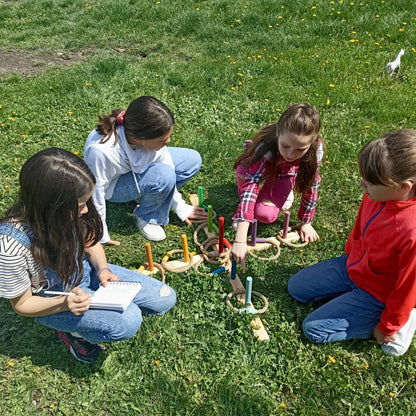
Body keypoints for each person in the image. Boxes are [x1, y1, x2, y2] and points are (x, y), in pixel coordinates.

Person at [0, 148, 177, 364]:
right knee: (129, 320)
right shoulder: (10, 247)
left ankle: (96, 314)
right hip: (55, 297)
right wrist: (65, 304)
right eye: (81, 205)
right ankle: (75, 333)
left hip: (85, 272)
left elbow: (90, 245)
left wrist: (103, 269)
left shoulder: (65, 212)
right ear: (51, 207)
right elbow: (23, 305)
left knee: (166, 297)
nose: (85, 211)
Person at [288, 130, 416, 356]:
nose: (361, 184)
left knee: (314, 329)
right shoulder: (378, 193)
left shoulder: (411, 232)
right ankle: (353, 296)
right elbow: (360, 226)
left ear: (403, 187)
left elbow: (407, 288)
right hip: (355, 267)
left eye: (369, 182)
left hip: (380, 293)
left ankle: (403, 321)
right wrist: (352, 254)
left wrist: (386, 327)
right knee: (296, 287)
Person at [84, 95, 207, 244]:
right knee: (164, 175)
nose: (168, 142)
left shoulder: (138, 134)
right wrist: (100, 233)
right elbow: (96, 191)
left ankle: (147, 194)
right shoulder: (102, 151)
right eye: (162, 140)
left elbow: (166, 162)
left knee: (192, 160)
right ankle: (146, 216)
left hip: (136, 171)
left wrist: (181, 208)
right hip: (113, 186)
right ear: (138, 139)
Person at [231, 103, 323, 271]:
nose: (290, 154)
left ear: (312, 143)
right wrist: (240, 238)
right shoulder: (266, 146)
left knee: (264, 214)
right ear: (278, 134)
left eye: (300, 149)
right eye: (286, 146)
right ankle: (248, 211)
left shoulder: (315, 152)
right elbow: (251, 186)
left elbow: (312, 184)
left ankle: (284, 188)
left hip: (284, 171)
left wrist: (306, 222)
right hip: (259, 163)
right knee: (244, 176)